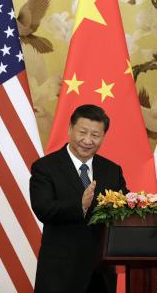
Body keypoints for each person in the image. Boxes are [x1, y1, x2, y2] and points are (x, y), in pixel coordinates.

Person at [30, 104, 128, 293]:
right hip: (60, 273)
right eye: (82, 132)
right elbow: (43, 208)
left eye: (95, 135)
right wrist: (80, 206)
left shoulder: (112, 170)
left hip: (100, 274)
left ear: (103, 137)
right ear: (70, 129)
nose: (87, 140)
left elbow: (123, 202)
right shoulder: (45, 167)